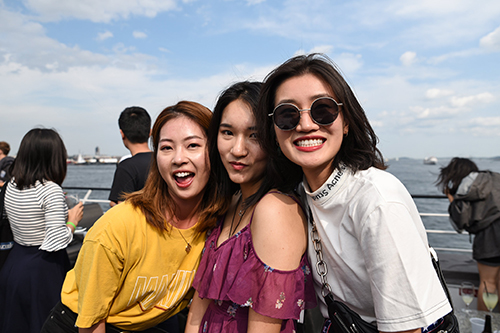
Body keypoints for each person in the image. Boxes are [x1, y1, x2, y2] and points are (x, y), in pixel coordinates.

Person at [258, 54, 452, 333]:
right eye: (287, 115)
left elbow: (405, 329)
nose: (306, 125)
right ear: (274, 130)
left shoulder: (376, 199)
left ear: (346, 122)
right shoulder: (298, 196)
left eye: (322, 109)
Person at [41, 101, 219, 333]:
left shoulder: (219, 224)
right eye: (166, 148)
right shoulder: (119, 226)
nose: (178, 158)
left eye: (193, 145)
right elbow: (92, 323)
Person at [185, 81, 316, 333]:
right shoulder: (232, 201)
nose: (237, 150)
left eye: (254, 135)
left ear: (274, 141)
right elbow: (200, 304)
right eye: (227, 133)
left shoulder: (274, 209)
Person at [0, 128, 84, 333]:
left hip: (15, 260)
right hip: (42, 268)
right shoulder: (51, 190)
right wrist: (72, 222)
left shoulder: (12, 184)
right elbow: (55, 240)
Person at [436, 157, 500, 312]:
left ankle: (486, 325)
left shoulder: (467, 186)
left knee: (488, 282)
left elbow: (461, 221)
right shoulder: (493, 177)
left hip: (489, 237)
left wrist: (452, 201)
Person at [109, 106, 153, 207]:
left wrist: (113, 205)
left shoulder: (126, 167)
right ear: (150, 132)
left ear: (122, 134)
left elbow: (123, 208)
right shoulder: (163, 160)